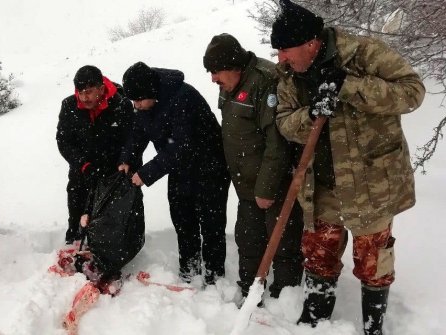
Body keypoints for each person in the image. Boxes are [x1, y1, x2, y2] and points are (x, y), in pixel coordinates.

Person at [270, 1, 425, 333]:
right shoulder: (288, 75)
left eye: (285, 49)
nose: (280, 58)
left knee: (373, 261)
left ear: (311, 43)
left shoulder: (364, 54)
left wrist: (350, 87)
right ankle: (314, 320)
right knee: (318, 255)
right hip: (321, 185)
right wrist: (310, 114)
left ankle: (373, 326)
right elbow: (284, 121)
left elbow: (413, 93)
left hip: (371, 185)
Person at [203, 33, 304, 301]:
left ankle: (285, 298)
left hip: (273, 183)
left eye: (216, 71)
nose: (213, 78)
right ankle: (250, 290)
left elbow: (277, 142)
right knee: (248, 240)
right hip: (246, 182)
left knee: (283, 243)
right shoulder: (229, 85)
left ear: (234, 65)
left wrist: (267, 188)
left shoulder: (265, 81)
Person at [120, 61, 231, 285]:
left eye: (139, 100)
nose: (136, 105)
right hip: (179, 169)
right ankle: (189, 271)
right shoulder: (145, 104)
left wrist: (146, 173)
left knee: (211, 225)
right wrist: (127, 159)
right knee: (183, 221)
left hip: (211, 167)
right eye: (133, 101)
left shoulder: (183, 97)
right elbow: (138, 133)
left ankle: (214, 276)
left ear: (151, 92)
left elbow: (183, 146)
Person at [56, 65, 139, 244]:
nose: (84, 97)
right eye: (80, 92)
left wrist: (123, 167)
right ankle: (75, 247)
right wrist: (83, 165)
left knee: (110, 221)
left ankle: (108, 256)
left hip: (113, 173)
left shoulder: (121, 105)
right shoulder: (69, 106)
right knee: (78, 215)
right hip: (82, 171)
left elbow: (131, 140)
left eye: (89, 91)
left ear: (101, 88)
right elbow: (64, 141)